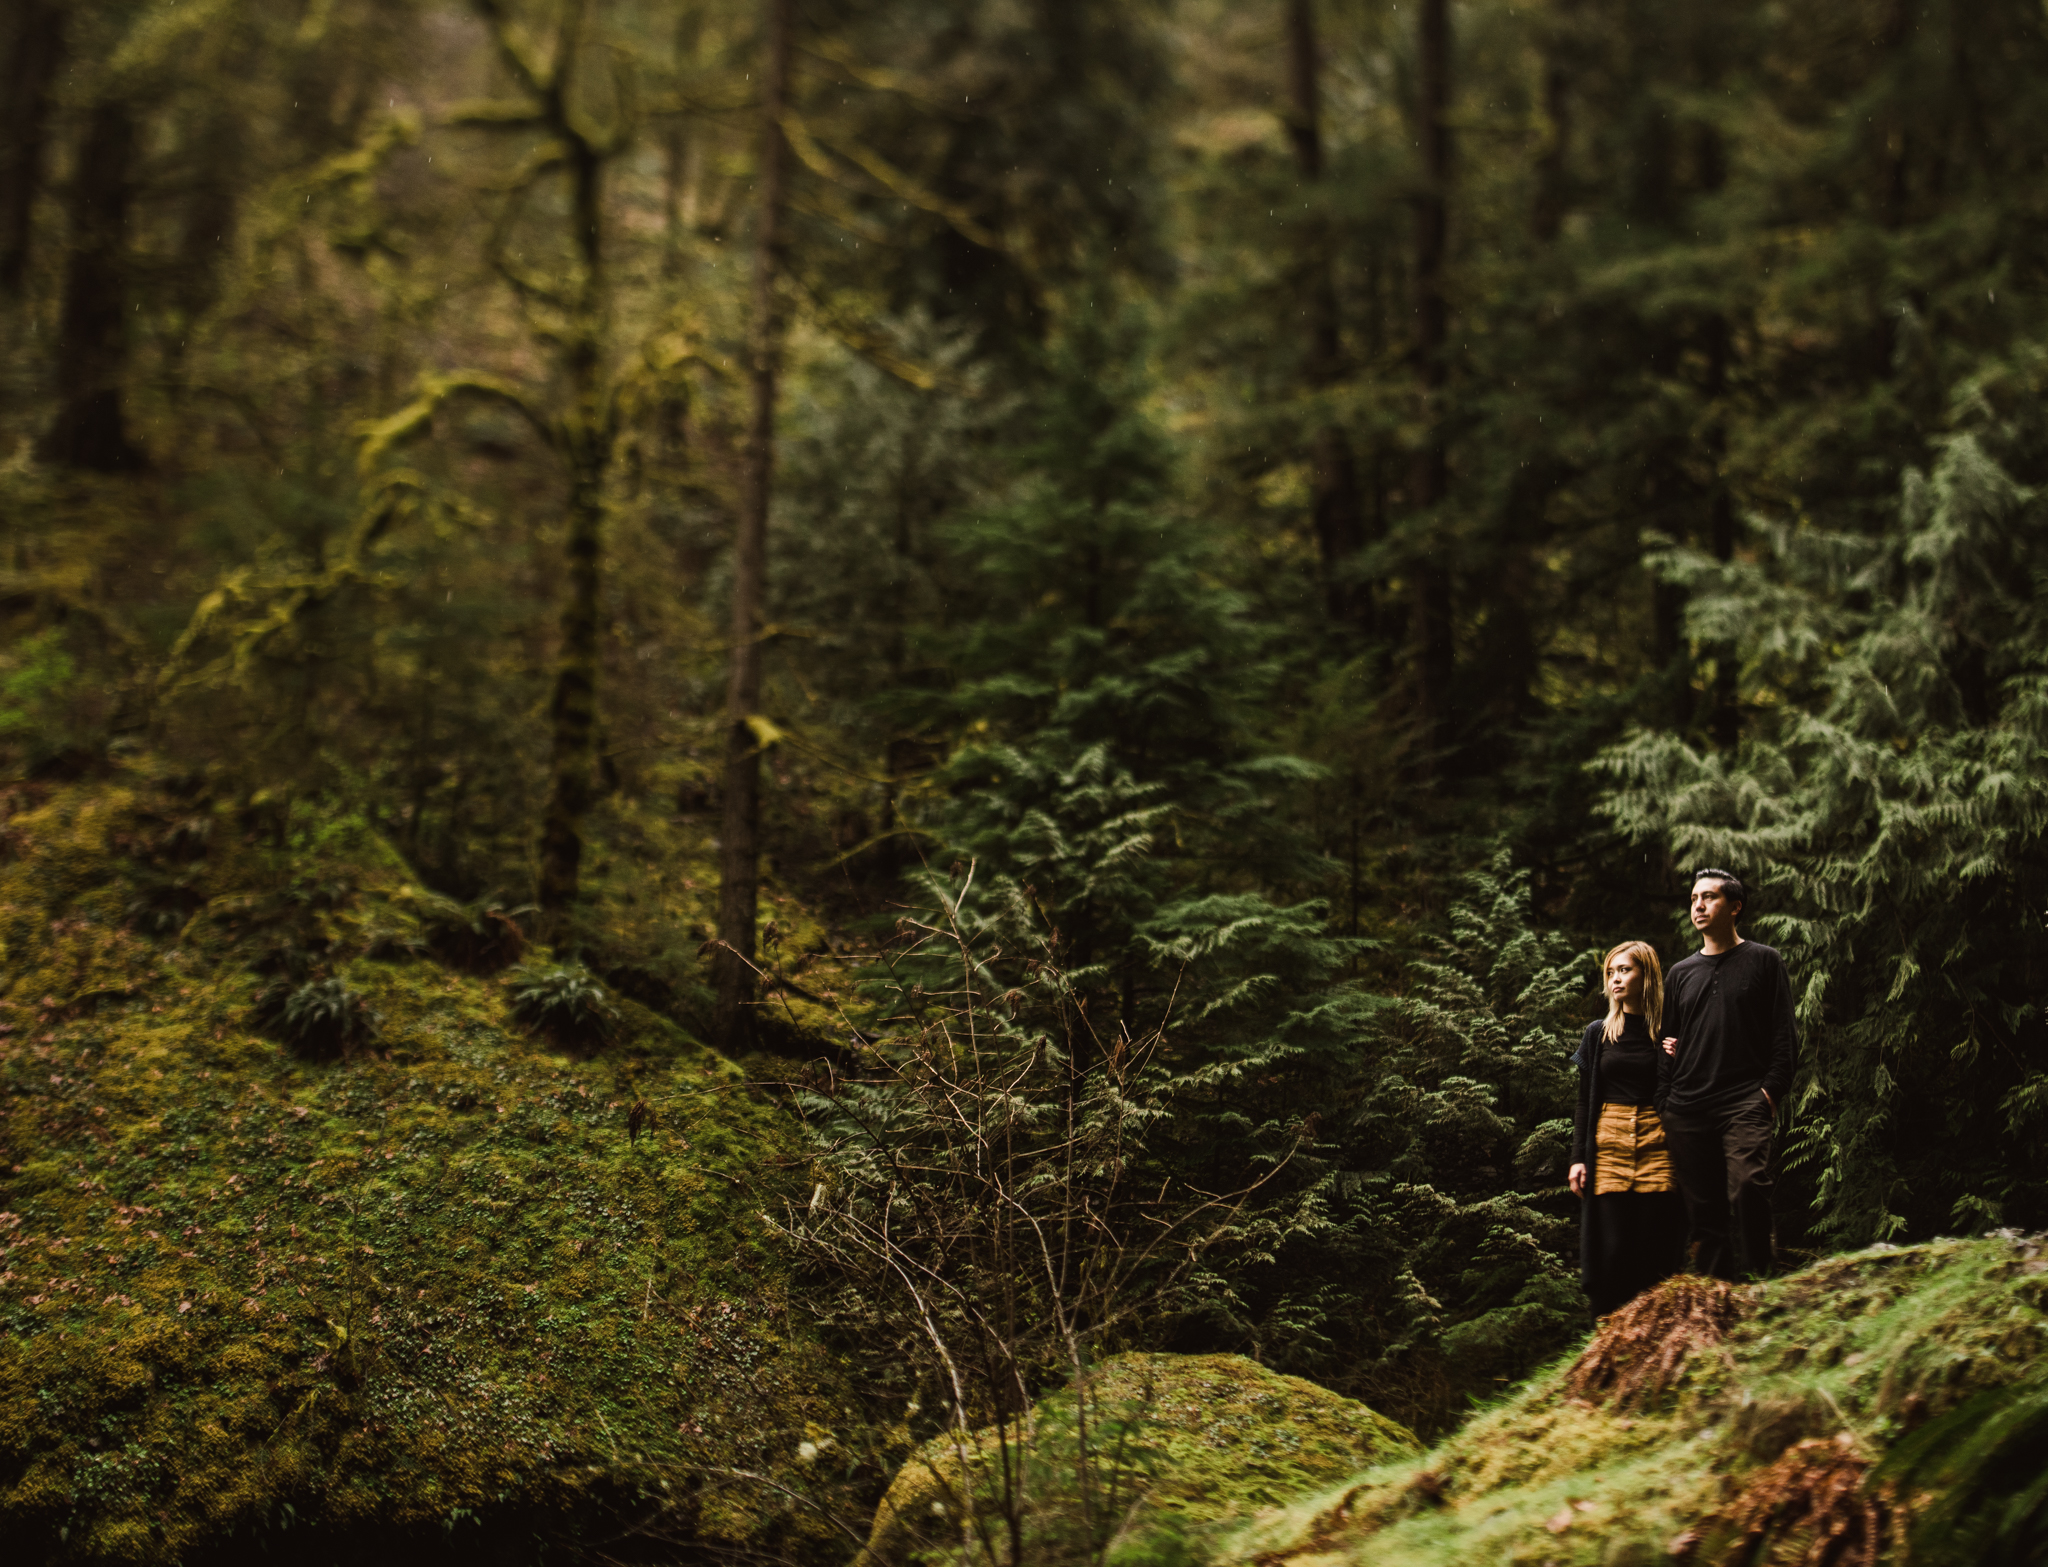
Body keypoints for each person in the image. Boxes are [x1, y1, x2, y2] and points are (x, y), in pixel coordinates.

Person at [1656, 868, 1798, 1282]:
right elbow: (1668, 1043)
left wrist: (1770, 1092)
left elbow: (1784, 1037)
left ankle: (1760, 1283)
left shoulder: (1764, 961)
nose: (1698, 905)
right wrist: (1665, 1103)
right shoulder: (1680, 973)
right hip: (1686, 1107)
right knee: (1705, 1212)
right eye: (1694, 898)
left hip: (1743, 1100)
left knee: (1749, 1185)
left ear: (1735, 907)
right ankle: (1717, 1301)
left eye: (1710, 897)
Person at [1568, 941, 1688, 1317]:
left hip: (1658, 1142)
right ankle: (1606, 1332)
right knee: (1613, 1246)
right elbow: (1584, 1099)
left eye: (1624, 970)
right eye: (1611, 972)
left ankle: (1654, 1331)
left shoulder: (1669, 1032)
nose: (1615, 979)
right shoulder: (1598, 1033)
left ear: (1646, 975)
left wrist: (1682, 1056)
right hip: (1609, 1146)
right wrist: (1577, 1159)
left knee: (1653, 1241)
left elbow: (1685, 1088)